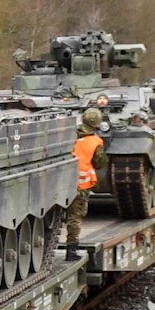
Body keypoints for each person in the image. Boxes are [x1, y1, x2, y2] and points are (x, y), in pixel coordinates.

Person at [65, 107, 108, 252]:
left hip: (60, 182)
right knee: (75, 217)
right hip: (81, 185)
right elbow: (100, 163)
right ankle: (71, 249)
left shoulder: (68, 135)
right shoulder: (96, 142)